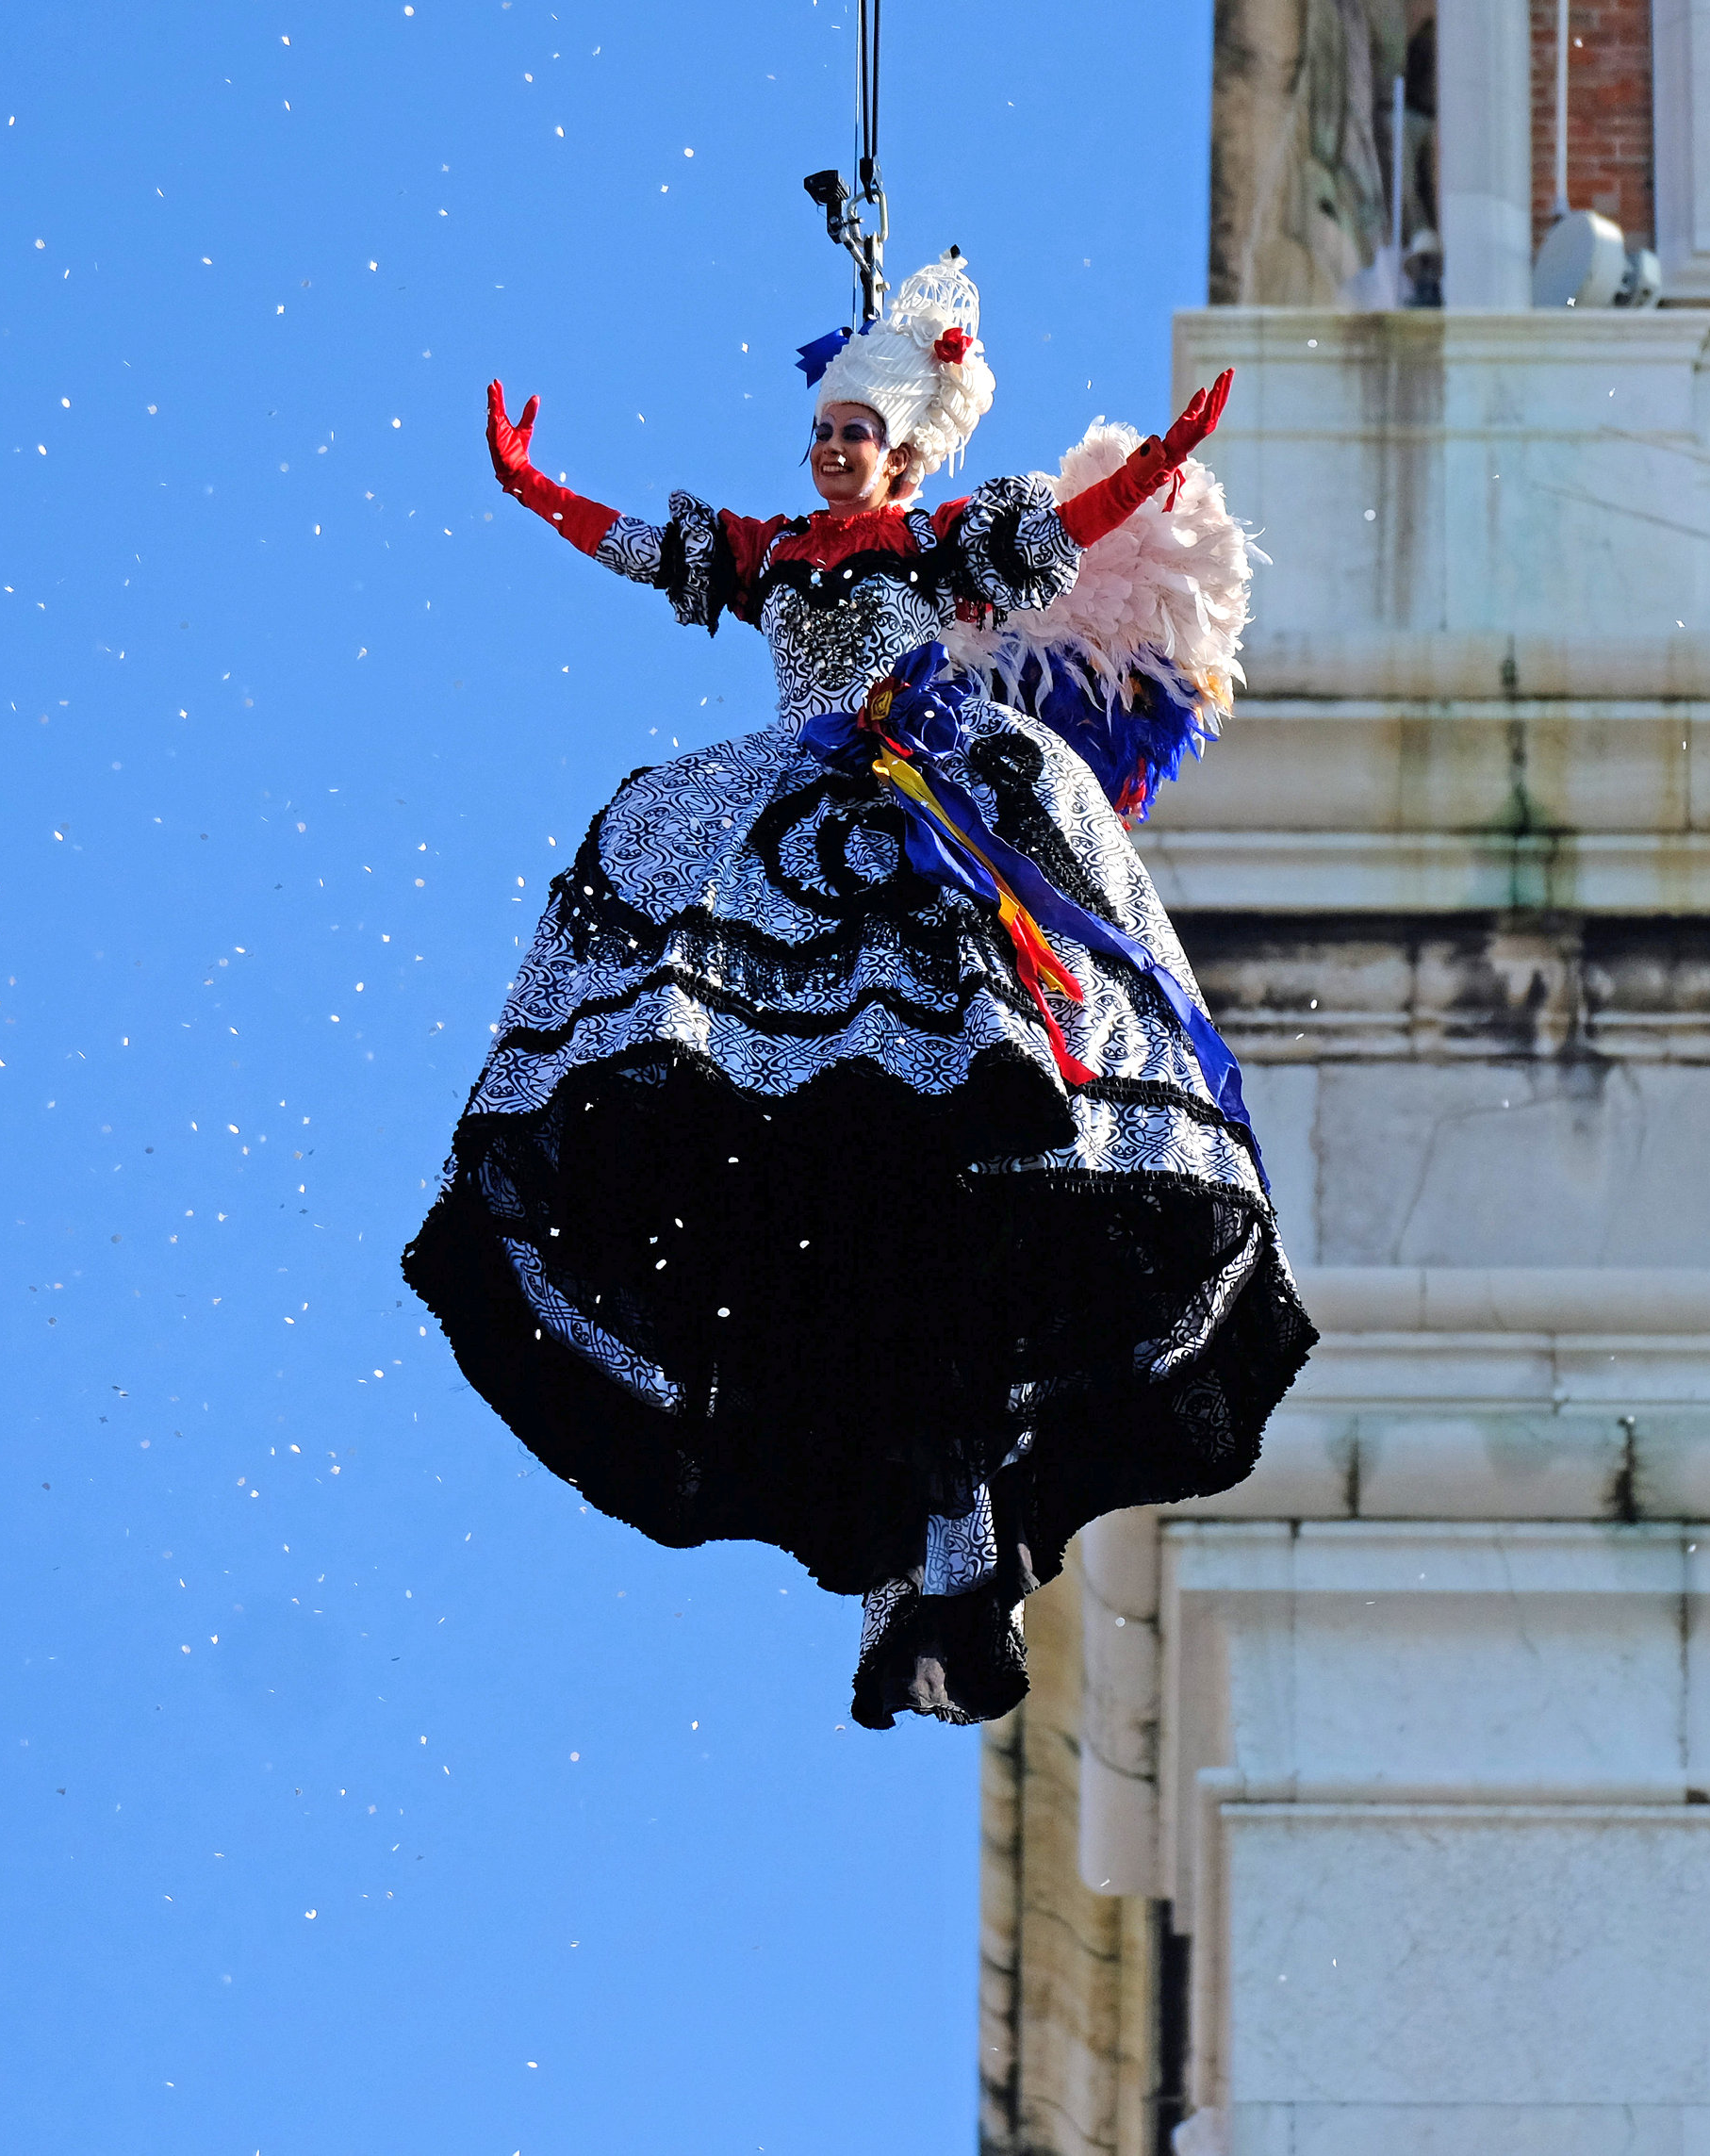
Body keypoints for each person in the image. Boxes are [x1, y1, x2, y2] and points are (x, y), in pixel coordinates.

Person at [406, 255, 1316, 1729]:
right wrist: (534, 489)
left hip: (923, 784)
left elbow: (1072, 529)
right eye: (821, 434)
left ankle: (1006, 1091)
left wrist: (1162, 460)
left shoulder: (940, 548)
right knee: (685, 886)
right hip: (806, 799)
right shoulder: (771, 553)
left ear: (896, 450)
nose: (832, 454)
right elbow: (643, 545)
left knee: (971, 952)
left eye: (854, 437)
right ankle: (911, 1511)